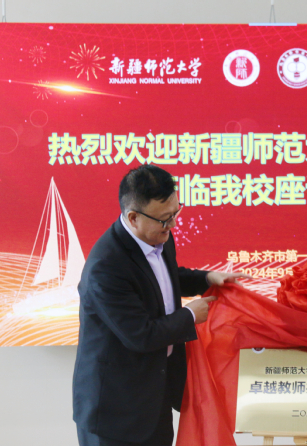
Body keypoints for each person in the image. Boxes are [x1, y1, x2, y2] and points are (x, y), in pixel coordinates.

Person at [73, 165, 250, 446]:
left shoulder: (158, 235)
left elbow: (163, 277)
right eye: (165, 219)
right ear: (133, 217)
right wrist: (190, 315)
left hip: (155, 396)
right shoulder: (106, 267)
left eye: (175, 214)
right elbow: (140, 335)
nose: (173, 225)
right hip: (116, 410)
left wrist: (206, 278)